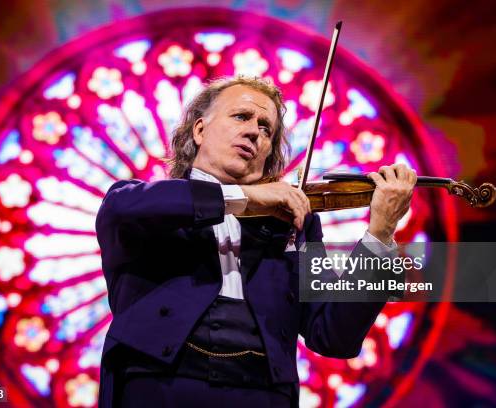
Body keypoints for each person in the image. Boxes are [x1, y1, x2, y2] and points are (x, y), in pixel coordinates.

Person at [95, 77, 417, 407]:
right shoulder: (145, 205)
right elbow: (123, 208)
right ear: (200, 130)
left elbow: (333, 334)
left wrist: (381, 232)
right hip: (159, 384)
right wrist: (246, 197)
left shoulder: (295, 223)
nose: (255, 132)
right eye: (241, 117)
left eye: (266, 129)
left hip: (263, 393)